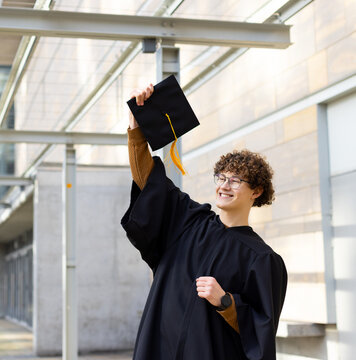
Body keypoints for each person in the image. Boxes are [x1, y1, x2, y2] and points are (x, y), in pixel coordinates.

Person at [121, 84, 288, 360]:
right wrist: (137, 129)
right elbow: (149, 182)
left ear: (256, 191)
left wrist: (226, 301)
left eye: (235, 180)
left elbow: (260, 334)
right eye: (221, 178)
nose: (224, 185)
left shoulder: (262, 260)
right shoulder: (187, 221)